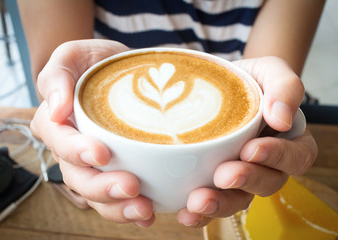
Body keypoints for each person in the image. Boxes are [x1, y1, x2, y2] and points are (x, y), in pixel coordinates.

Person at [17, 0, 323, 228]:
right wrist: (62, 125)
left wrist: (281, 111)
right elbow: (56, 78)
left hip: (225, 200)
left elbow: (270, 86)